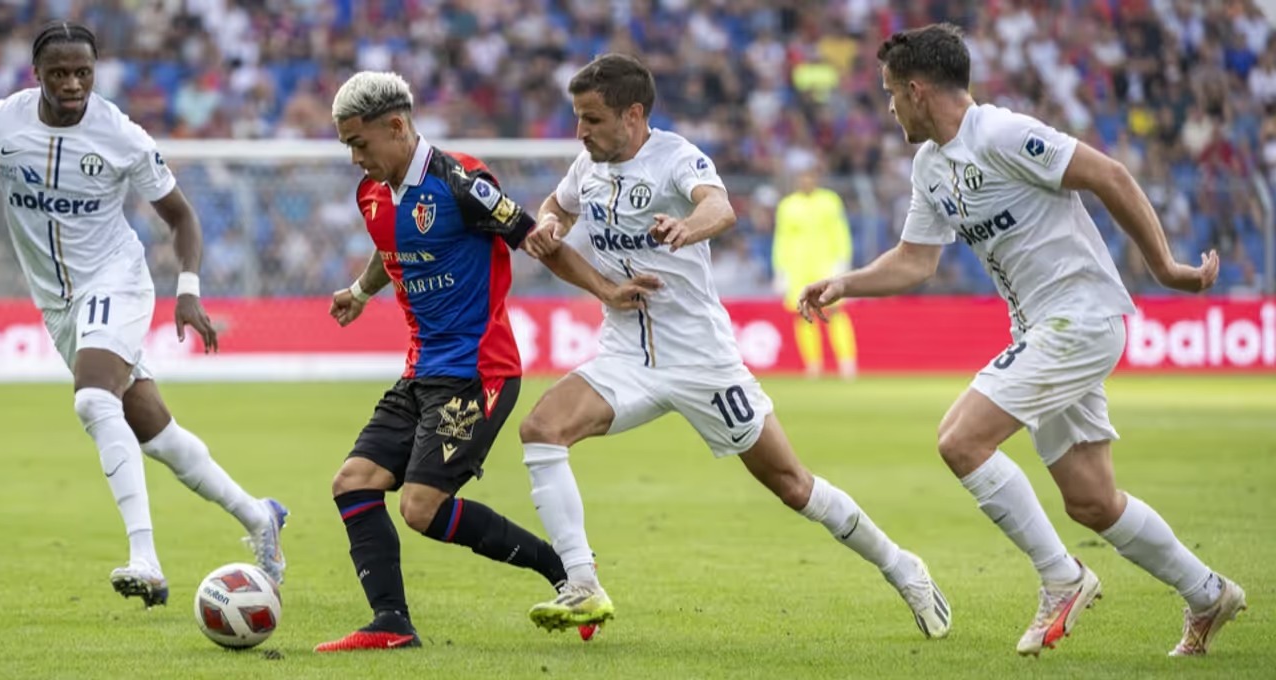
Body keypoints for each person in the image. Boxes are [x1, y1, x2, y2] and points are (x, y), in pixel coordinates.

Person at [798, 23, 1246, 657]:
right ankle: (1208, 593)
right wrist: (844, 283)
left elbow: (1110, 175)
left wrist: (1167, 268)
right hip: (1043, 328)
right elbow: (915, 260)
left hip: (1080, 317)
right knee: (1092, 501)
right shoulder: (931, 166)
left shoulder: (1004, 134)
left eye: (891, 92)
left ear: (919, 90)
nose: (888, 104)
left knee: (960, 440)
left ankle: (1062, 578)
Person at [519, 54, 951, 640]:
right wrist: (548, 224)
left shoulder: (675, 157)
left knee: (793, 485)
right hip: (625, 356)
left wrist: (685, 227)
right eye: (578, 118)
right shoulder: (586, 166)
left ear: (633, 114)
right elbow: (557, 208)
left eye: (592, 119)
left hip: (703, 361)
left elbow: (718, 206)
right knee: (542, 430)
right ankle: (582, 584)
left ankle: (904, 568)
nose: (580, 131)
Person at [0, 21, 287, 609]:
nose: (73, 84)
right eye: (60, 74)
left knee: (93, 400)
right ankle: (259, 515)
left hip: (116, 281)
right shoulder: (0, 122)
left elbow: (182, 219)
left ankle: (144, 560)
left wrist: (189, 288)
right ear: (36, 75)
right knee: (158, 434)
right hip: (57, 302)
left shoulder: (121, 135)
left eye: (83, 73)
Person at [317, 71, 656, 652]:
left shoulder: (462, 183)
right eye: (347, 145)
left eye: (359, 143)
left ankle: (564, 571)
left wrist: (605, 289)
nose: (354, 158)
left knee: (420, 508)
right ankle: (391, 625)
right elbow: (389, 243)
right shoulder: (372, 193)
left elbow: (535, 240)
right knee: (353, 483)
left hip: (479, 371)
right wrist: (361, 290)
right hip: (421, 369)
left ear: (396, 126)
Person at [773, 168, 858, 380]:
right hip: (798, 268)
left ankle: (846, 362)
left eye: (809, 176)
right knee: (803, 314)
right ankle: (813, 364)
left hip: (826, 265)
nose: (806, 180)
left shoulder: (829, 201)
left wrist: (842, 260)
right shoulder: (787, 206)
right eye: (802, 177)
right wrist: (780, 269)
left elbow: (840, 230)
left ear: (816, 178)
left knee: (836, 311)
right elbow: (781, 239)